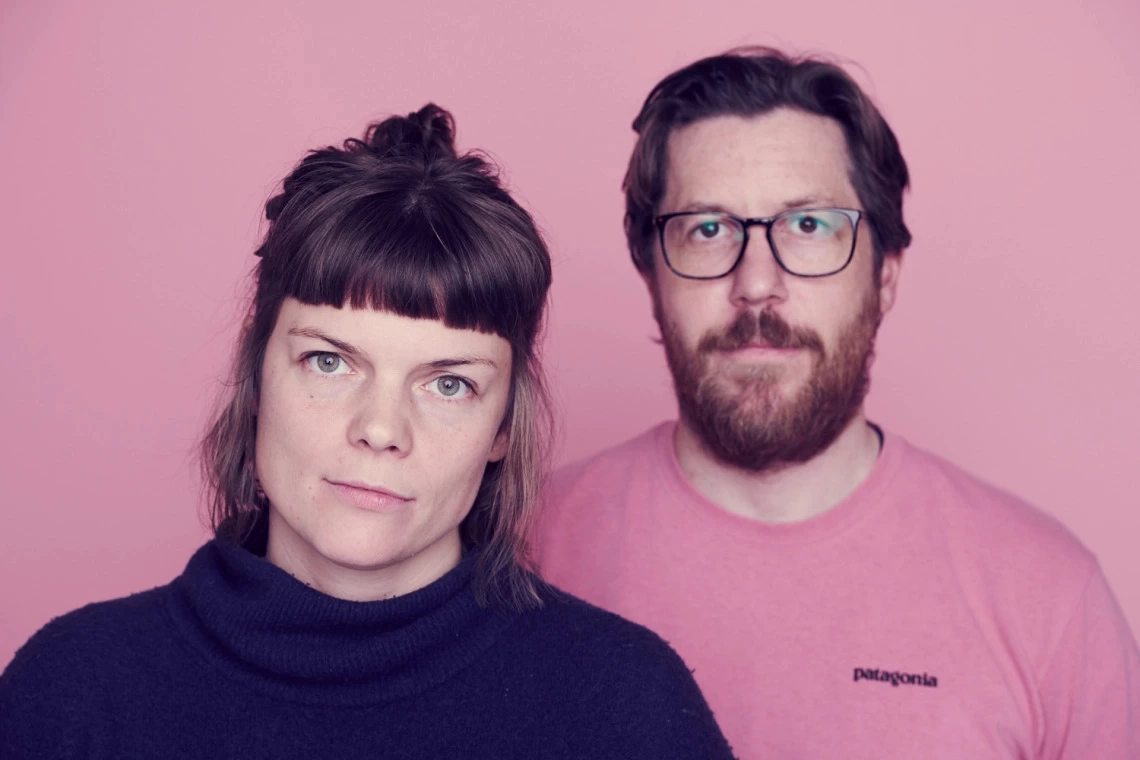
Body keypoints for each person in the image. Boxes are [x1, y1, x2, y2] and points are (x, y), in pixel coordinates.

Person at [0, 105, 736, 759]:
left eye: (449, 383)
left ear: (502, 428)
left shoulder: (625, 706)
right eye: (329, 361)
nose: (382, 429)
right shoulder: (72, 693)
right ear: (259, 382)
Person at [535, 48, 1140, 759]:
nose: (756, 284)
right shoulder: (521, 550)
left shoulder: (1050, 598)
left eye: (811, 226)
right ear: (650, 275)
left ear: (884, 275)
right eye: (706, 229)